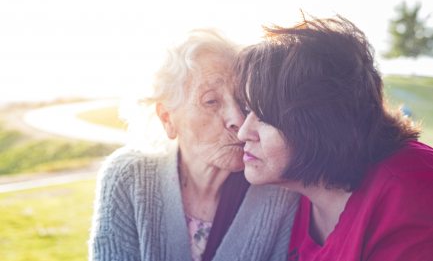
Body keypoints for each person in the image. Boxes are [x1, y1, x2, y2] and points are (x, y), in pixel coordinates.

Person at [88, 28, 299, 261]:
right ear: (167, 118)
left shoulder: (277, 190)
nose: (238, 120)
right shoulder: (128, 177)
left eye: (241, 100)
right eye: (211, 101)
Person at [236, 16, 433, 261]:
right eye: (247, 110)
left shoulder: (410, 193)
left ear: (317, 122)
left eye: (264, 117)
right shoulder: (302, 189)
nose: (243, 133)